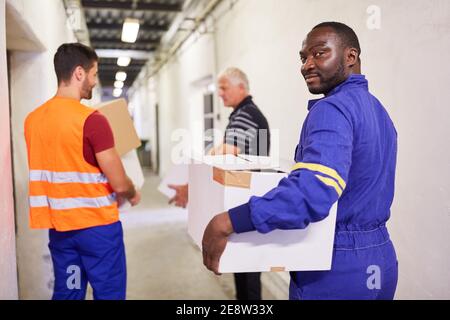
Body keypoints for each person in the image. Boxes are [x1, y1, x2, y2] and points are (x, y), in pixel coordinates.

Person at [202, 22, 398, 300]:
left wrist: (229, 221)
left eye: (319, 53)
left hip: (337, 268)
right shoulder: (379, 111)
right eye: (303, 57)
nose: (307, 65)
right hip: (380, 258)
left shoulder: (332, 109)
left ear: (350, 56)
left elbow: (314, 189)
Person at [24, 43, 141, 300]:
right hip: (98, 231)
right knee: (108, 293)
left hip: (62, 232)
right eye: (94, 73)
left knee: (70, 291)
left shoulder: (33, 120)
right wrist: (132, 193)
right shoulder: (92, 120)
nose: (95, 81)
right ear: (79, 73)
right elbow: (120, 183)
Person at [169, 67, 270, 300]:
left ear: (241, 87)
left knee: (248, 271)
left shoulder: (246, 115)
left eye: (224, 88)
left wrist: (193, 181)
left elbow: (223, 153)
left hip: (247, 201)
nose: (220, 93)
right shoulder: (241, 114)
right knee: (243, 269)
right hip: (244, 199)